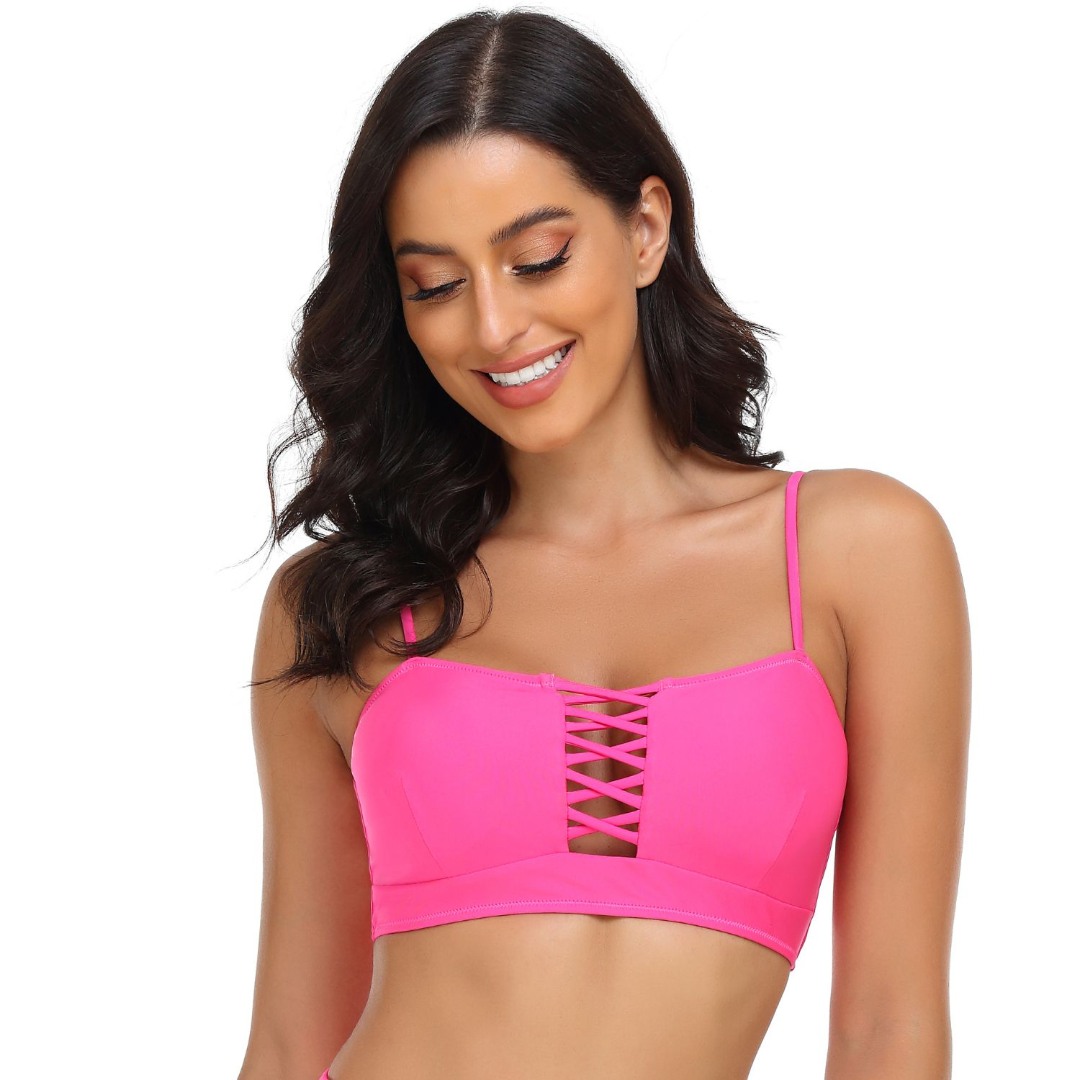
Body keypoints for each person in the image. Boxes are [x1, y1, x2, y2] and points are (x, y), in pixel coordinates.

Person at [237, 9, 970, 1080]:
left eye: (538, 259)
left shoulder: (862, 556)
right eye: (436, 284)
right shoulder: (343, 606)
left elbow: (889, 1029)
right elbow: (289, 1044)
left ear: (645, 230)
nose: (494, 327)